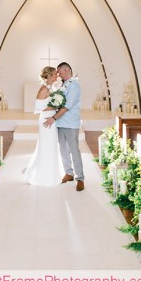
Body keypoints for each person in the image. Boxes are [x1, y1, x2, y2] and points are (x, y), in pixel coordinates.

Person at [44, 61, 84, 191]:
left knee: (74, 151)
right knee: (63, 150)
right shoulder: (62, 85)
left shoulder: (74, 86)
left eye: (59, 72)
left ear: (66, 71)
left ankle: (80, 178)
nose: (58, 74)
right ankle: (69, 173)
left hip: (71, 123)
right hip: (61, 123)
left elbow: (67, 106)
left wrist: (53, 118)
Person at [23, 66, 64, 186]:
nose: (57, 76)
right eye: (55, 74)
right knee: (46, 146)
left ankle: (51, 174)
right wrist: (56, 106)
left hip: (52, 119)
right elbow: (38, 108)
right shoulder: (43, 89)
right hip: (46, 120)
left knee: (51, 146)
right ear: (50, 76)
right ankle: (43, 176)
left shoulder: (51, 88)